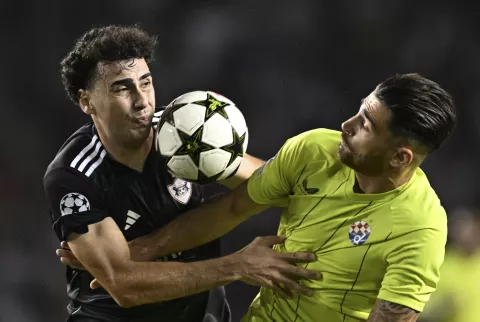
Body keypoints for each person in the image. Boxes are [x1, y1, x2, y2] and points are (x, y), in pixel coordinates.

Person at [60, 73, 456, 321]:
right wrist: (134, 252)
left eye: (366, 125)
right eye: (358, 111)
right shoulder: (316, 149)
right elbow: (233, 206)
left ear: (400, 157)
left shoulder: (420, 229)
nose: (346, 125)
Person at [43, 25, 321, 322]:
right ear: (87, 101)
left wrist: (147, 248)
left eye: (146, 83)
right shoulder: (73, 174)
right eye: (122, 88)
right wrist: (238, 265)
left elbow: (272, 185)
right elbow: (125, 285)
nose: (142, 101)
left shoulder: (186, 129)